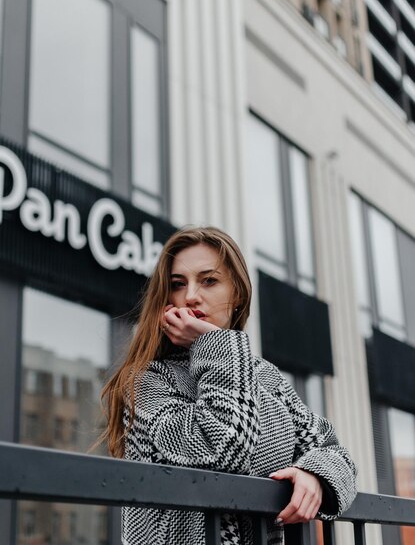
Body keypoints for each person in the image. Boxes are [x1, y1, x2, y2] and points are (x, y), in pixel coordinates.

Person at [101, 226, 357, 545]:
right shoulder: (148, 381)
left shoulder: (266, 377)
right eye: (178, 284)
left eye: (209, 280)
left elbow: (336, 453)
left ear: (236, 294)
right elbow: (223, 449)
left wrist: (315, 475)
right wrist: (213, 344)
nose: (191, 295)